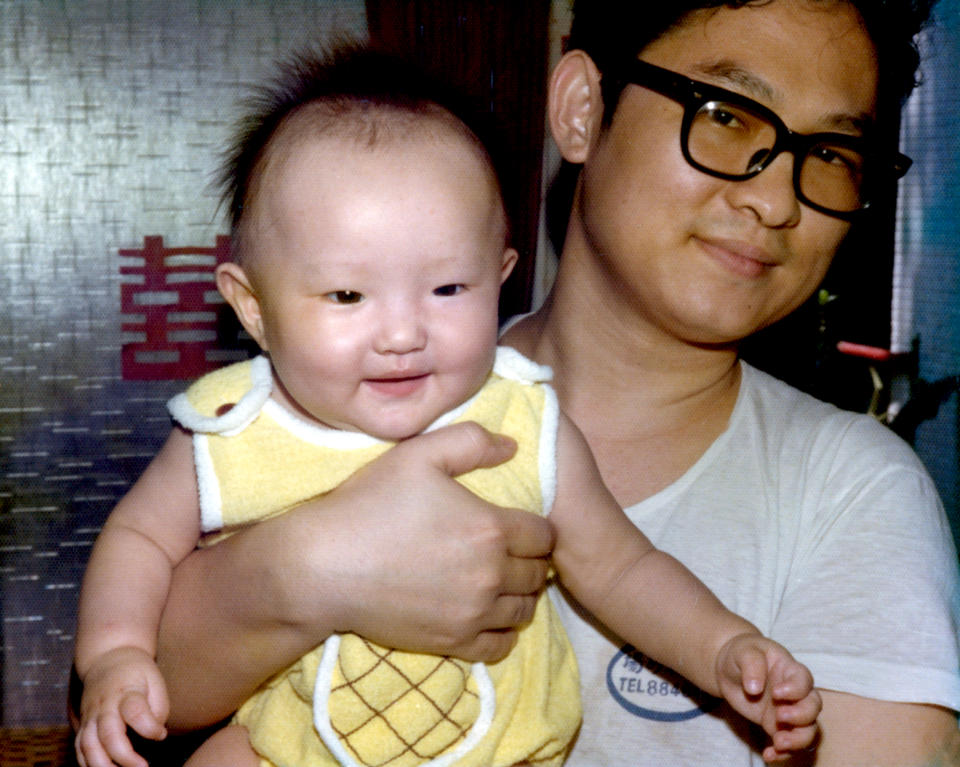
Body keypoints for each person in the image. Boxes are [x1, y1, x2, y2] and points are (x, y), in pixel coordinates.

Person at [135, 2, 960, 765]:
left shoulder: (852, 494)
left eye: (831, 155)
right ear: (580, 110)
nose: (777, 199)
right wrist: (311, 566)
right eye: (727, 116)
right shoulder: (334, 394)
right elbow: (142, 696)